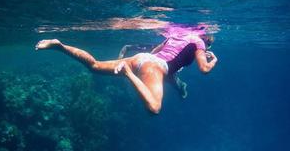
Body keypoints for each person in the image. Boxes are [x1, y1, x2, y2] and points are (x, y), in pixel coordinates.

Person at [35, 32, 217, 114]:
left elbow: (154, 53)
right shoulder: (199, 43)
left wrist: (147, 66)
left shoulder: (178, 35)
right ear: (206, 42)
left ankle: (60, 46)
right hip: (153, 66)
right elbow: (204, 69)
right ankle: (128, 73)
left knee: (95, 65)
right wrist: (213, 59)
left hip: (143, 58)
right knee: (154, 108)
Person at [118, 44, 188, 99]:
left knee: (172, 81)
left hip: (162, 68)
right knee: (169, 80)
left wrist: (178, 67)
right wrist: (120, 60)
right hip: (151, 68)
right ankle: (181, 85)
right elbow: (126, 47)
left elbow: (176, 60)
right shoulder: (147, 48)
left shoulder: (165, 53)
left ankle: (182, 86)